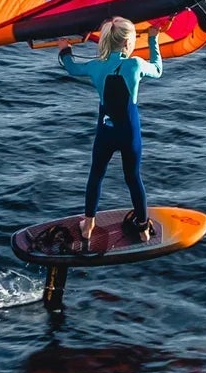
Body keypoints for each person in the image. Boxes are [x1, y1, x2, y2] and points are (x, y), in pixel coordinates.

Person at [58, 16, 162, 243]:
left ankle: (88, 226)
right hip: (129, 132)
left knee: (96, 175)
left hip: (106, 131)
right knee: (133, 178)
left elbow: (73, 68)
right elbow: (157, 69)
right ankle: (143, 229)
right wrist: (153, 38)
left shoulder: (97, 66)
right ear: (127, 43)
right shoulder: (134, 65)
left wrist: (65, 49)